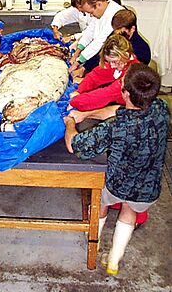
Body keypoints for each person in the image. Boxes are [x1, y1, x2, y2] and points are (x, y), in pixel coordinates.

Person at [64, 63, 170, 275]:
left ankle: (93, 238)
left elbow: (74, 145)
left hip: (116, 185)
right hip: (148, 188)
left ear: (126, 94)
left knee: (100, 202)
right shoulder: (161, 108)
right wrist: (87, 114)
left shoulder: (116, 128)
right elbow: (117, 110)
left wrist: (70, 123)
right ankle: (113, 260)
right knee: (129, 212)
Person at [68, 34, 139, 111]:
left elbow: (106, 95)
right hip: (115, 99)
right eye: (109, 62)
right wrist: (80, 90)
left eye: (114, 62)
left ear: (126, 55)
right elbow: (95, 76)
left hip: (131, 110)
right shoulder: (120, 62)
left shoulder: (132, 75)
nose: (111, 66)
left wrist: (75, 102)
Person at [70, 0, 124, 74]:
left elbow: (99, 41)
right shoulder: (100, 12)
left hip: (118, 59)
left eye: (91, 12)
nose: (91, 15)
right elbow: (90, 31)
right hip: (104, 54)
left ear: (98, 4)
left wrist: (78, 62)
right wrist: (77, 52)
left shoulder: (116, 14)